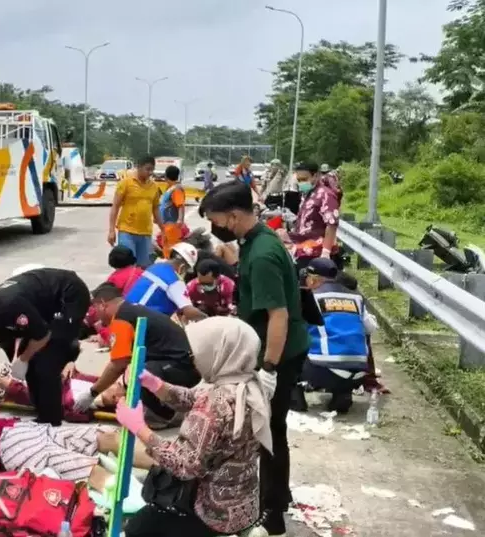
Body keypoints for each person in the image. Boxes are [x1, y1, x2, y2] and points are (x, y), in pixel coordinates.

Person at [199, 181, 310, 537]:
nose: (215, 226)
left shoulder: (262, 254)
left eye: (216, 219)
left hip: (279, 352)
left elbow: (278, 315)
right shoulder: (256, 242)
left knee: (268, 433)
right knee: (270, 430)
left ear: (233, 216)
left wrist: (269, 369)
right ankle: (279, 495)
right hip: (277, 346)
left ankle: (272, 513)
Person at [115, 317, 270, 537]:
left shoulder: (216, 403)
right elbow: (193, 399)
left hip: (211, 511)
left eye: (197, 353)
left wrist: (140, 428)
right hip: (243, 502)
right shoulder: (249, 386)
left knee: (139, 528)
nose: (194, 359)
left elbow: (184, 465)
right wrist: (155, 384)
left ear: (218, 351)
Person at [0, 268, 91, 426]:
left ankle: (52, 422)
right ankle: (42, 413)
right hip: (40, 306)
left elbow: (42, 335)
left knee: (46, 363)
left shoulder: (9, 307)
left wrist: (23, 358)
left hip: (68, 295)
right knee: (32, 365)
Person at [0, 387, 157, 486]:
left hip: (26, 429)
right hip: (11, 448)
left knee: (104, 436)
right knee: (83, 466)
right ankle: (149, 504)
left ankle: (166, 466)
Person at [80, 283, 199, 429]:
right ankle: (165, 408)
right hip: (182, 366)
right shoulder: (131, 311)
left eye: (94, 308)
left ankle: (164, 415)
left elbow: (118, 364)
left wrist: (92, 392)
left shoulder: (122, 318)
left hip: (179, 368)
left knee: (137, 372)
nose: (95, 315)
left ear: (102, 305)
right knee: (130, 373)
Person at [298, 258, 376, 413]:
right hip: (358, 372)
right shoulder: (355, 297)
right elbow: (371, 328)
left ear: (313, 279)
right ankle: (343, 393)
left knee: (289, 344)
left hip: (322, 371)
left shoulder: (310, 296)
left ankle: (295, 399)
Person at [124, 243, 206, 322]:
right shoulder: (174, 281)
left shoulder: (154, 267)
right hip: (141, 322)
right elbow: (189, 312)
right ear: (183, 266)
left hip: (125, 312)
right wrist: (210, 319)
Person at [107, 156, 164, 266]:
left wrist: (163, 229)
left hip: (145, 233)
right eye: (148, 169)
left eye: (152, 169)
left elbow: (155, 209)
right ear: (139, 167)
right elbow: (115, 207)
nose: (150, 172)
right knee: (127, 264)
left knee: (143, 267)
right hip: (126, 231)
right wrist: (111, 230)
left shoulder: (154, 187)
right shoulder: (125, 184)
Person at [283, 161, 341, 270]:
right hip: (303, 248)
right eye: (299, 180)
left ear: (316, 176)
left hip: (316, 252)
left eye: (304, 179)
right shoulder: (308, 194)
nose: (301, 183)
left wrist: (326, 252)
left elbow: (332, 224)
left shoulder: (325, 195)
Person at [158, 165, 187, 258]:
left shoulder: (176, 189)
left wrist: (180, 219)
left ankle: (173, 268)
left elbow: (180, 205)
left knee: (173, 249)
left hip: (173, 225)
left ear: (166, 176)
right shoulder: (170, 188)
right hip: (166, 225)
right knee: (166, 246)